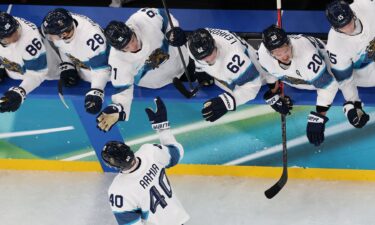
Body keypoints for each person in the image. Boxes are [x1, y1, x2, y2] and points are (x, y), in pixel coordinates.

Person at [96, 8, 211, 132]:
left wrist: (173, 31)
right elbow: (123, 89)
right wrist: (118, 108)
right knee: (180, 114)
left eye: (132, 40)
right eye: (127, 47)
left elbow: (164, 15)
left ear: (131, 30)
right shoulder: (117, 60)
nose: (133, 46)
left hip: (182, 62)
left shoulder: (142, 19)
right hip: (158, 86)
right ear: (119, 49)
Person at [102, 97, 189, 225]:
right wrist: (162, 127)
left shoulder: (118, 190)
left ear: (113, 165)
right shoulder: (150, 151)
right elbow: (178, 152)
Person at [258, 25, 347, 146]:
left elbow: (329, 85)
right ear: (270, 53)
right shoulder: (263, 52)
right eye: (278, 54)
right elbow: (268, 70)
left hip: (322, 72)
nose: (284, 56)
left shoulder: (307, 56)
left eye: (285, 50)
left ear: (289, 43)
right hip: (300, 78)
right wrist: (274, 92)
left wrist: (319, 117)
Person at [166, 27, 280, 122]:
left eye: (210, 53)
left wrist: (228, 101)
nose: (209, 59)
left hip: (255, 74)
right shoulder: (194, 44)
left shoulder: (234, 58)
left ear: (214, 44)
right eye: (203, 58)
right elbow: (197, 53)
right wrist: (201, 70)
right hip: (228, 72)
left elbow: (252, 86)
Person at [42, 8, 111, 114]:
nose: (49, 37)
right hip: (83, 69)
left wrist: (96, 91)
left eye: (51, 35)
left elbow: (102, 70)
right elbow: (63, 47)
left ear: (64, 34)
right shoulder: (65, 25)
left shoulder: (91, 39)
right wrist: (68, 66)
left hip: (105, 78)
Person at [0, 12, 69, 112]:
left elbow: (38, 74)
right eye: (9, 35)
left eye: (15, 30)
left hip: (46, 75)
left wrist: (20, 92)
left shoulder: (29, 42)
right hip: (15, 70)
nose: (16, 35)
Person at [325, 0, 373, 128]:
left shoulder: (367, 6)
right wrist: (353, 104)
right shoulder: (335, 45)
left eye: (348, 22)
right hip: (366, 71)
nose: (348, 28)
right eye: (342, 27)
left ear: (353, 14)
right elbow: (345, 79)